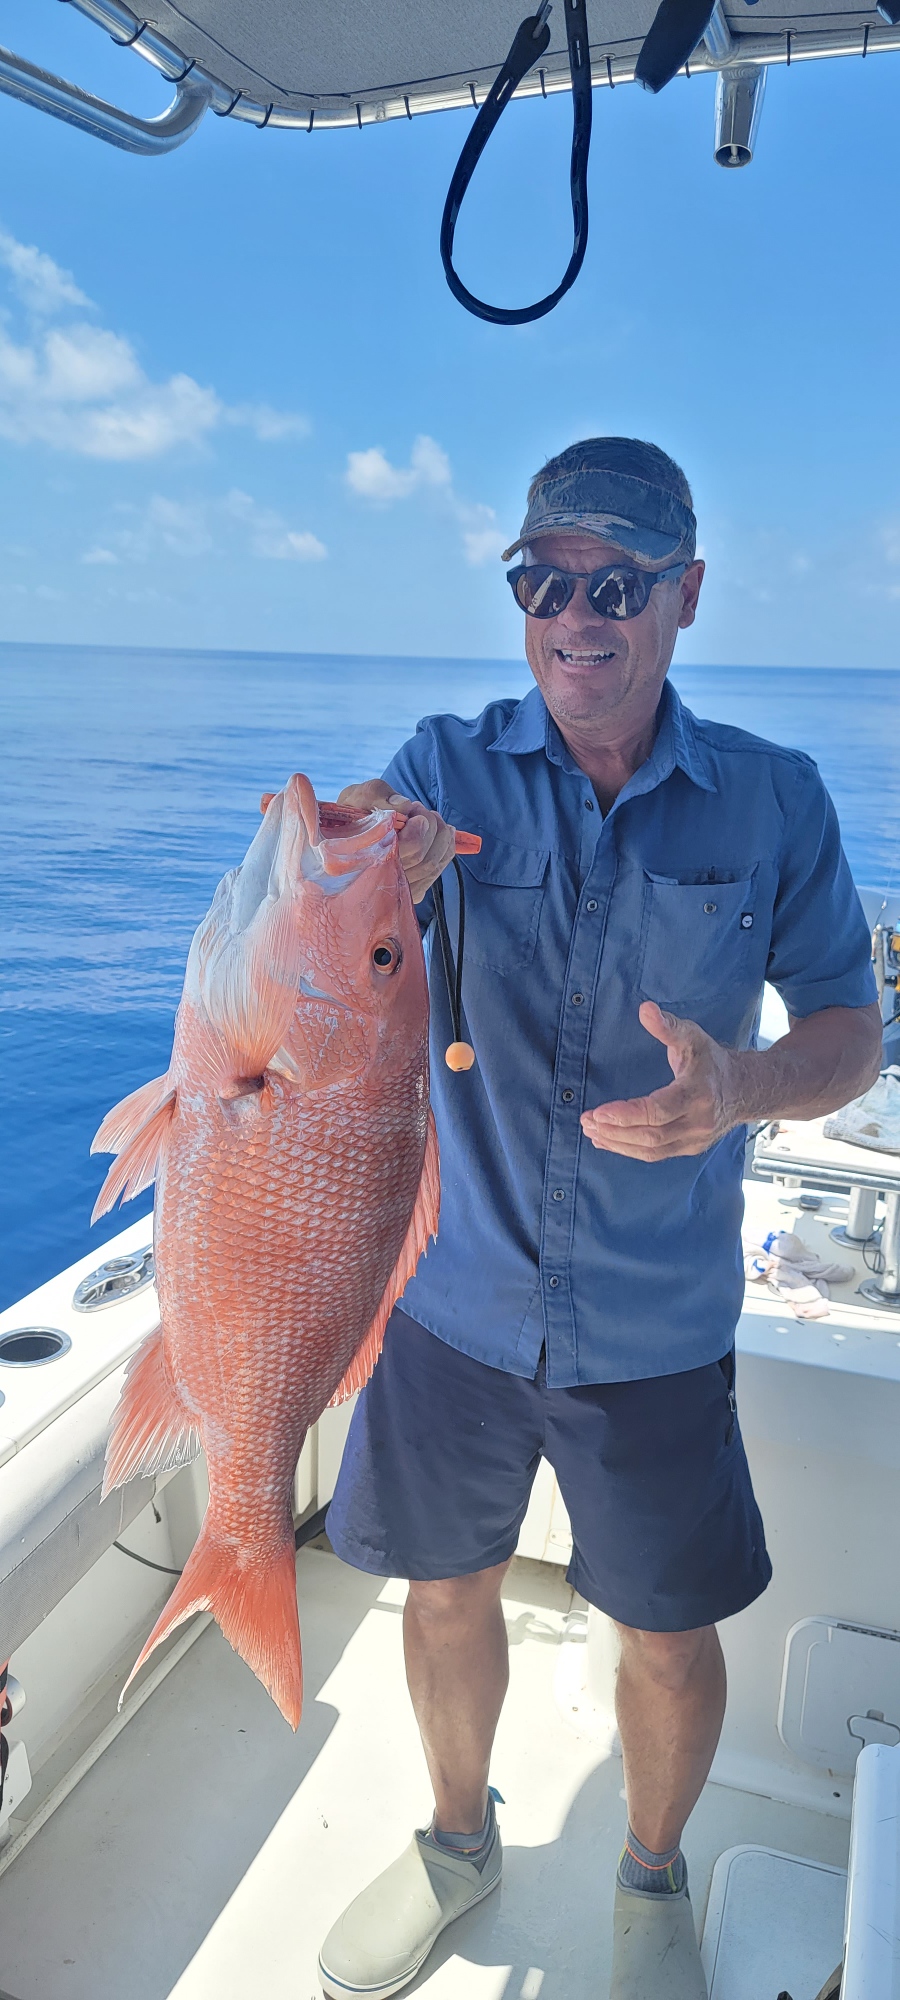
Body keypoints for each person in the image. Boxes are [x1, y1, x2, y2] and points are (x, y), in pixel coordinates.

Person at [317, 437, 881, 2000]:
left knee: (667, 1632)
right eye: (541, 582)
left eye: (614, 584)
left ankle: (646, 1879)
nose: (576, 615)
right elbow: (334, 883)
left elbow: (851, 1025)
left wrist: (745, 1089)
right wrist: (366, 854)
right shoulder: (449, 765)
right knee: (441, 1595)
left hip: (655, 1323)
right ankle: (452, 1841)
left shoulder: (776, 800)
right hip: (453, 1302)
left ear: (684, 596)